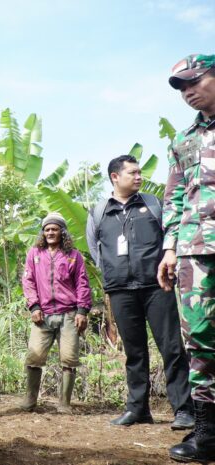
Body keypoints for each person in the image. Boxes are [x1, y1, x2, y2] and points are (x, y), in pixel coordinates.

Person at [85, 155, 193, 429]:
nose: (138, 177)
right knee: (134, 352)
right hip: (120, 291)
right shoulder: (99, 211)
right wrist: (113, 274)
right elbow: (95, 249)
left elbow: (170, 235)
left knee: (171, 348)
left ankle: (184, 410)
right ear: (115, 177)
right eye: (132, 172)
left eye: (139, 172)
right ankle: (138, 409)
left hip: (157, 287)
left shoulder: (153, 204)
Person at [157, 54, 215, 462]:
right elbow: (175, 198)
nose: (187, 92)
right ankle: (209, 432)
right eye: (180, 88)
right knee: (199, 340)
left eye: (194, 82)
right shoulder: (184, 140)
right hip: (195, 252)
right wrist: (169, 249)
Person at [20, 213, 91, 414]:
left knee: (69, 358)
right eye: (47, 229)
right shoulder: (34, 253)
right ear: (43, 232)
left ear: (62, 232)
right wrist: (33, 306)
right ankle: (30, 400)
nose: (50, 232)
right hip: (42, 314)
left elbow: (82, 283)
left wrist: (82, 311)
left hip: (69, 314)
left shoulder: (73, 255)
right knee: (34, 357)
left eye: (55, 229)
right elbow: (28, 281)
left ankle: (64, 403)